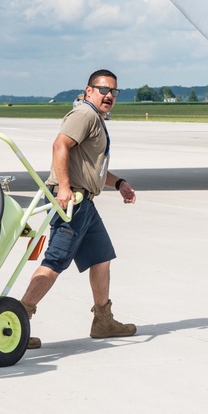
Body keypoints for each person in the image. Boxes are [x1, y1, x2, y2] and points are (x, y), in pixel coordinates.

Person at [21, 69, 137, 349]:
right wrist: (63, 187)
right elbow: (60, 145)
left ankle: (103, 321)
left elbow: (90, 168)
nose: (109, 95)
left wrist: (118, 182)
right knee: (55, 262)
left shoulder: (95, 118)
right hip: (71, 201)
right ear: (88, 91)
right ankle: (18, 321)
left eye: (113, 92)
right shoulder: (84, 115)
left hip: (84, 202)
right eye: (103, 89)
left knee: (101, 257)